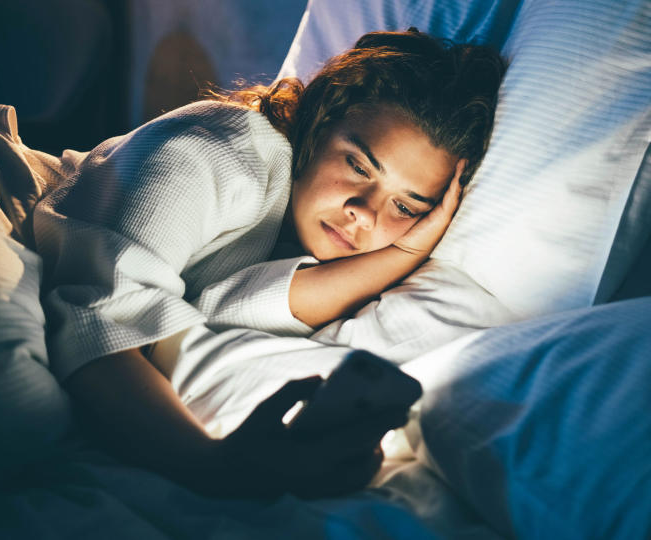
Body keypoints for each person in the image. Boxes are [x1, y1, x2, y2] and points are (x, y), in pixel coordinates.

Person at [32, 29, 505, 498]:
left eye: (405, 206)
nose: (364, 211)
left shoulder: (301, 233)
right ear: (319, 121)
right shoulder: (221, 146)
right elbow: (92, 318)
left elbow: (224, 312)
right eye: (359, 166)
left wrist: (405, 252)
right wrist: (214, 466)